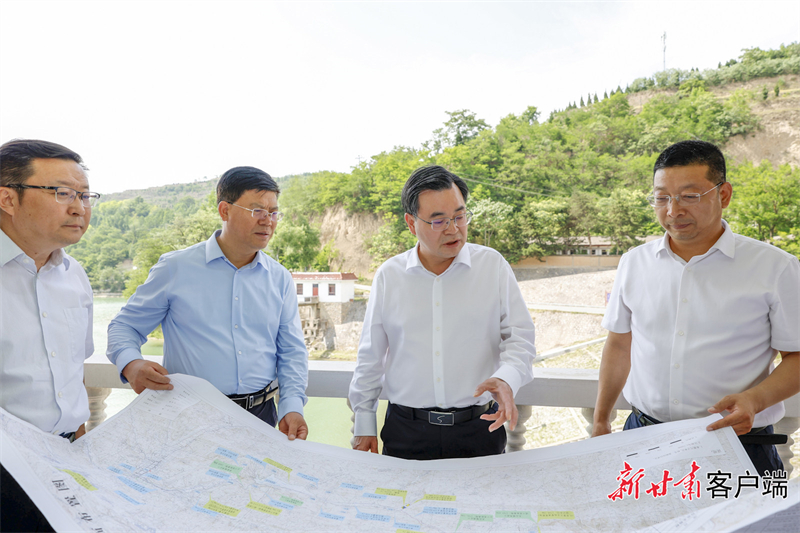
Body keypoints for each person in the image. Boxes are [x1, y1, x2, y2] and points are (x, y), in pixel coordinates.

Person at [592, 140, 800, 477]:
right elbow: (618, 344)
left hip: (737, 444)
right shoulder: (634, 263)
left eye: (689, 196)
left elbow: (797, 356)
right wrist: (601, 420)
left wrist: (755, 399)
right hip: (642, 436)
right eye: (662, 198)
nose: (673, 211)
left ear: (724, 195)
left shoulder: (775, 267)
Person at [107, 166, 309, 440]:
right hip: (189, 415)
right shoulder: (175, 267)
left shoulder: (280, 277)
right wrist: (131, 364)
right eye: (257, 210)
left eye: (274, 212)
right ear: (225, 210)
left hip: (261, 417)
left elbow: (292, 350)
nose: (268, 221)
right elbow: (124, 326)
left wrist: (292, 405)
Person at [349, 165, 536, 460]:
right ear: (411, 223)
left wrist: (507, 378)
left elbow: (520, 337)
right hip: (406, 430)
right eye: (439, 221)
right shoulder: (390, 276)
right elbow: (371, 357)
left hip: (479, 429)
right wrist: (363, 423)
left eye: (459, 216)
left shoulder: (492, 266)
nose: (453, 229)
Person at [1, 138, 100, 532]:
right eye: (62, 193)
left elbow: (73, 370)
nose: (79, 208)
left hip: (68, 460)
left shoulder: (74, 276)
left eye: (85, 195)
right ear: (8, 199)